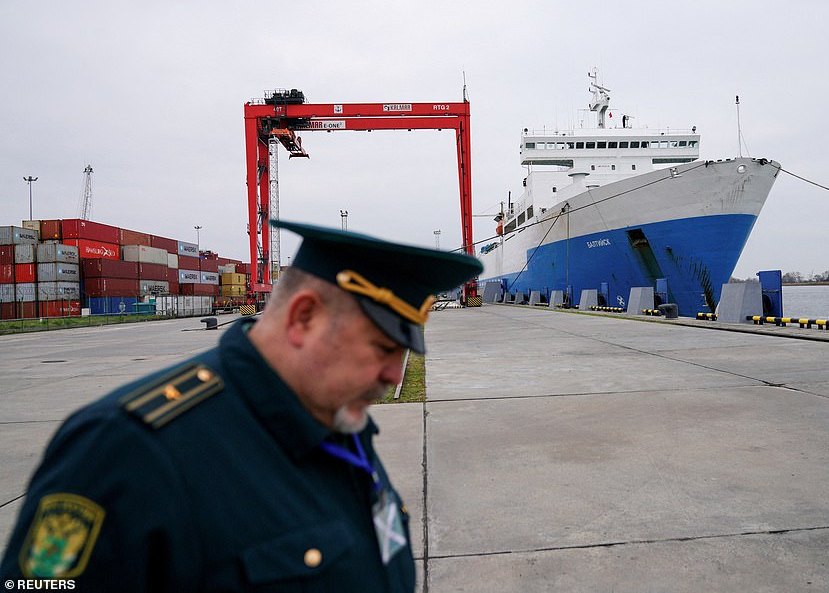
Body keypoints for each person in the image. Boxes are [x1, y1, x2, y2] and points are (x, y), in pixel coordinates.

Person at [0, 220, 482, 591]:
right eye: (382, 348)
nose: (395, 376)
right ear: (304, 317)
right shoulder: (124, 455)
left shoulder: (338, 422)